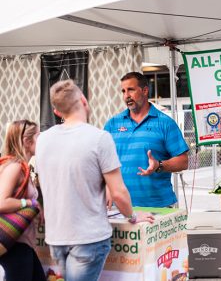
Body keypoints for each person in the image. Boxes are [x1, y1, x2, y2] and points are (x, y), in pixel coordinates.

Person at [35, 80, 154, 281]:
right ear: (83, 100)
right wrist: (133, 216)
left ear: (56, 111)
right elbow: (118, 192)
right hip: (88, 237)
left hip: (56, 237)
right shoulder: (99, 137)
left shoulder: (43, 139)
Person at [104, 72, 189, 207]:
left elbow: (183, 162)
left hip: (158, 207)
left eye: (131, 90)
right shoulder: (112, 124)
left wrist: (159, 165)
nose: (126, 96)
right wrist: (107, 186)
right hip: (120, 207)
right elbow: (103, 161)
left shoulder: (165, 123)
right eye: (123, 91)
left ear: (145, 90)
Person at [0, 120, 46, 281]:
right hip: (14, 245)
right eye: (39, 137)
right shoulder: (14, 167)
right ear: (27, 142)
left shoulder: (22, 167)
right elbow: (2, 202)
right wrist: (30, 204)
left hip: (22, 244)